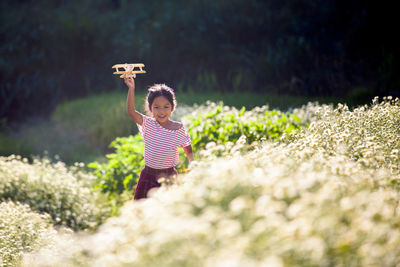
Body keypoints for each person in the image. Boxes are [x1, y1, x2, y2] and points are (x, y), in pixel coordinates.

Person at [124, 77, 194, 200]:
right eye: (157, 107)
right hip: (148, 175)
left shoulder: (178, 128)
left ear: (172, 107)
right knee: (142, 211)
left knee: (167, 212)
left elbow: (186, 145)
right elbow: (131, 111)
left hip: (169, 176)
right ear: (150, 108)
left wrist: (192, 163)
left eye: (166, 107)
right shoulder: (148, 124)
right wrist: (131, 88)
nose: (161, 111)